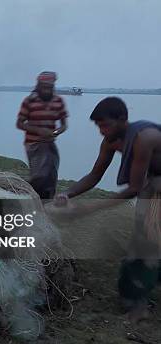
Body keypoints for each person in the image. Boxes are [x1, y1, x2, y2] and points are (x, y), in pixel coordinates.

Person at [54, 97, 161, 323]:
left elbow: (133, 188)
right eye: (98, 127)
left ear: (123, 119)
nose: (102, 131)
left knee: (145, 245)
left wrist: (88, 208)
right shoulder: (111, 141)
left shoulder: (144, 138)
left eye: (106, 125)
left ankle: (139, 305)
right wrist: (67, 194)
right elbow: (94, 175)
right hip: (153, 184)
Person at [16, 71, 68, 200]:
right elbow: (20, 123)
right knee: (40, 175)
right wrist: (38, 131)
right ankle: (26, 196)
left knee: (51, 175)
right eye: (43, 87)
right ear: (38, 85)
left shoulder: (58, 101)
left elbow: (64, 124)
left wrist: (56, 132)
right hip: (34, 143)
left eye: (49, 87)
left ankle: (46, 202)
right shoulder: (29, 101)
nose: (46, 90)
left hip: (50, 143)